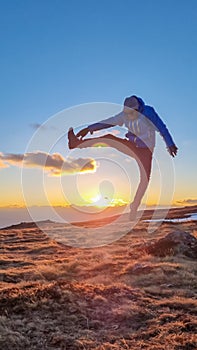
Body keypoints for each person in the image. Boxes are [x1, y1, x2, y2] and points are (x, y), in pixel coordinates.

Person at [68, 95, 178, 220]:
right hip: (131, 145)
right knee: (109, 138)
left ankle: (134, 207)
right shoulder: (124, 115)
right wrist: (89, 128)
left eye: (132, 112)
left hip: (146, 150)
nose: (129, 115)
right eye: (127, 113)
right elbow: (108, 122)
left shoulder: (148, 112)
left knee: (145, 179)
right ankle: (76, 143)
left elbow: (161, 128)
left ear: (138, 109)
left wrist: (170, 144)